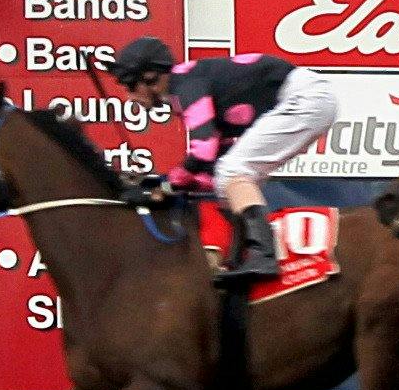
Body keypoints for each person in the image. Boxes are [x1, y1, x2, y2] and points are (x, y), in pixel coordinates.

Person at [104, 34, 340, 280]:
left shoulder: (185, 85)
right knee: (227, 179)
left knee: (233, 171)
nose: (129, 96)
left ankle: (265, 256)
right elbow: (211, 165)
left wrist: (165, 188)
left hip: (305, 98)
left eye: (131, 85)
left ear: (150, 77)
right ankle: (240, 257)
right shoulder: (185, 86)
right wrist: (163, 186)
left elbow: (203, 148)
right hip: (308, 99)